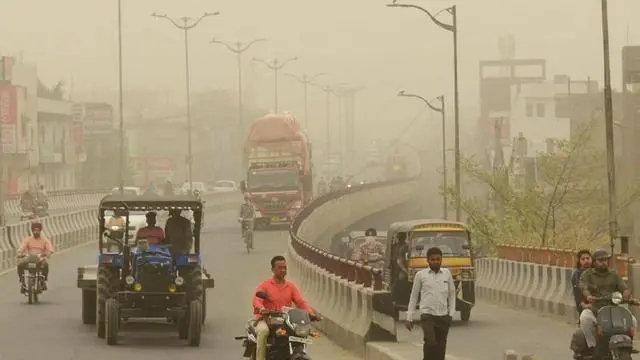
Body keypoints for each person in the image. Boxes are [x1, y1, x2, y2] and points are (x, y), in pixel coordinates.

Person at [252, 256, 319, 360]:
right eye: (280, 268)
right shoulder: (265, 285)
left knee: (298, 333)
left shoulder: (290, 286)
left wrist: (311, 313)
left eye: (284, 267)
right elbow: (256, 299)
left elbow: (300, 302)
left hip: (285, 320)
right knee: (263, 331)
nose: (283, 270)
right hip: (266, 319)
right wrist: (261, 308)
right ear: (273, 269)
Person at [579, 249, 635, 357]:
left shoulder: (613, 274)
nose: (604, 262)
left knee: (632, 320)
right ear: (594, 262)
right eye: (600, 260)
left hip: (614, 308)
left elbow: (624, 287)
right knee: (585, 319)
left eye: (605, 260)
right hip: (595, 308)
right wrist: (588, 296)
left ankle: (627, 344)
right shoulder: (588, 274)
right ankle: (592, 347)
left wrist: (626, 294)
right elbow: (584, 287)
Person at [406, 247, 455, 360]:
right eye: (433, 259)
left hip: (443, 316)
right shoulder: (420, 275)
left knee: (441, 346)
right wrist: (409, 317)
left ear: (441, 260)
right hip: (428, 315)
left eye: (438, 259)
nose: (436, 262)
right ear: (428, 261)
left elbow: (452, 295)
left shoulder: (447, 274)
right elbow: (414, 296)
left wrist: (451, 314)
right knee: (430, 342)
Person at [17, 222, 54, 292]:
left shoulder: (45, 240)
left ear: (40, 231)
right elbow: (21, 247)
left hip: (40, 259)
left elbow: (50, 249)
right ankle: (23, 283)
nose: (36, 232)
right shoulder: (28, 239)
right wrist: (19, 253)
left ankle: (43, 281)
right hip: (30, 258)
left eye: (37, 230)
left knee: (46, 265)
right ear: (32, 231)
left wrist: (48, 253)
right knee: (20, 265)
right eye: (34, 230)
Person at [571, 250, 592, 316]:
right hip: (584, 304)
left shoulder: (596, 271)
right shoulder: (577, 274)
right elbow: (578, 292)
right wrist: (583, 304)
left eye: (588, 258)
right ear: (579, 261)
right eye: (583, 259)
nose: (586, 261)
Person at [393, 232, 411, 304]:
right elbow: (399, 261)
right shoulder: (404, 247)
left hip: (413, 269)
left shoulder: (412, 246)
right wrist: (405, 271)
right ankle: (399, 300)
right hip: (403, 269)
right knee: (401, 279)